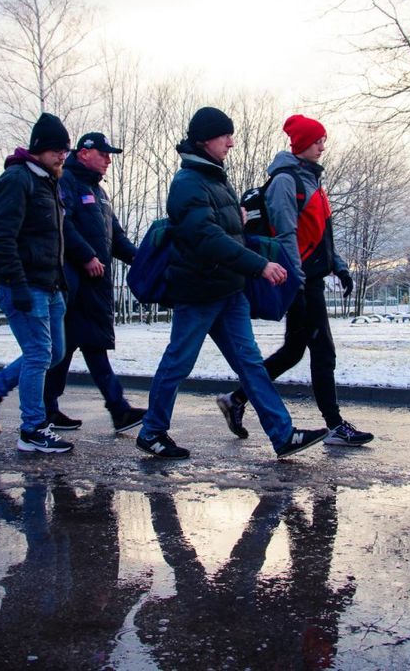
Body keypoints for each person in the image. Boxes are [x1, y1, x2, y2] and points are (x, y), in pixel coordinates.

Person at [137, 106, 328, 460]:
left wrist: (237, 221)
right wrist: (260, 265)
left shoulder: (214, 177)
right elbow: (206, 237)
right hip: (199, 292)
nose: (231, 142)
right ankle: (152, 431)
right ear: (205, 138)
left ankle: (283, 435)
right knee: (178, 363)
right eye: (225, 135)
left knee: (251, 364)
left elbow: (219, 228)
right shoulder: (188, 182)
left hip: (229, 290)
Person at [216, 114, 374, 447]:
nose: (322, 146)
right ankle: (334, 426)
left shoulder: (311, 179)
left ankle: (236, 399)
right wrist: (297, 284)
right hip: (301, 281)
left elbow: (320, 235)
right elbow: (286, 235)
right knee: (323, 352)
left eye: (323, 140)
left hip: (311, 278)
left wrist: (340, 266)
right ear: (301, 143)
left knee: (292, 351)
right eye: (317, 140)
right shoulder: (287, 181)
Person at [0, 113, 75, 453]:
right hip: (23, 284)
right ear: (39, 149)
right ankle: (32, 429)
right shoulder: (17, 180)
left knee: (53, 352)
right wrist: (17, 285)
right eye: (57, 149)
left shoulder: (47, 181)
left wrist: (60, 283)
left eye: (66, 150)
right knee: (39, 353)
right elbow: (1, 238)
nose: (62, 156)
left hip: (49, 285)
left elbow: (50, 239)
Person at [41, 132, 145, 433]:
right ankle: (117, 409)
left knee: (77, 347)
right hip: (73, 284)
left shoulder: (99, 193)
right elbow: (63, 225)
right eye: (104, 153)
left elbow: (117, 238)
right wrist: (86, 256)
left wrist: (143, 261)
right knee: (78, 347)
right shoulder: (66, 182)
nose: (109, 160)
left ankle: (52, 409)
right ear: (85, 153)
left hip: (95, 286)